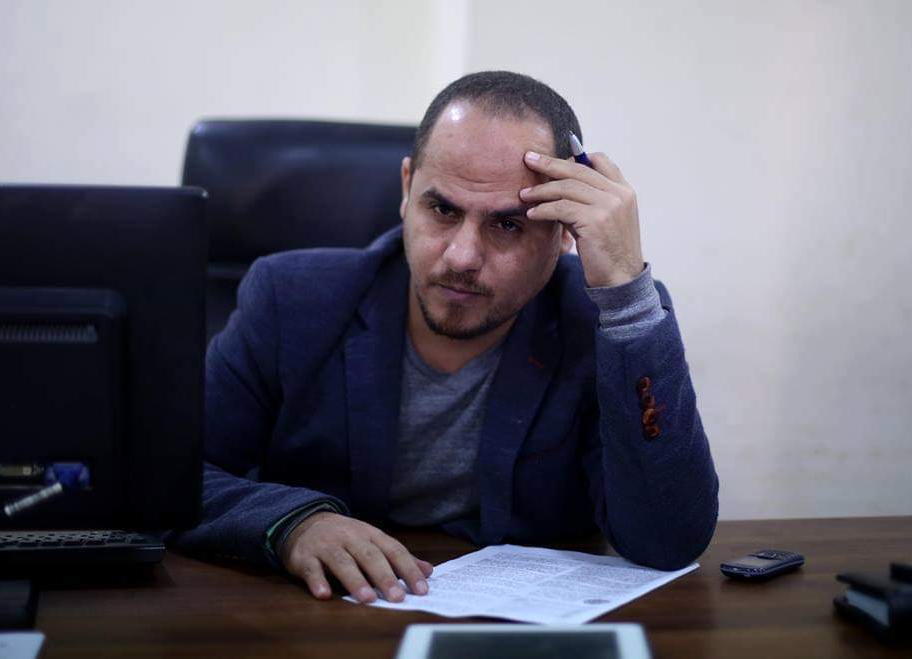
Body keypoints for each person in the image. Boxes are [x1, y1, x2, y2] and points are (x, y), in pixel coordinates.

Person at [171, 71, 718, 606]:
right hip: (324, 619)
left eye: (508, 224)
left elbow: (668, 539)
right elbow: (170, 478)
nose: (461, 257)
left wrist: (625, 295)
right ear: (406, 189)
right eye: (442, 209)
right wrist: (293, 525)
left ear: (563, 234)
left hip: (521, 632)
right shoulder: (291, 299)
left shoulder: (602, 321)